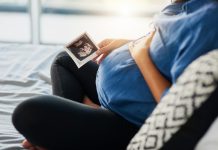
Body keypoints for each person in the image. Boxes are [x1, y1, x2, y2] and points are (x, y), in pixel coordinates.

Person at [12, 0, 218, 149]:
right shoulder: (185, 5)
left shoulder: (208, 20)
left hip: (130, 120)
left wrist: (140, 54)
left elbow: (174, 107)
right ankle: (61, 132)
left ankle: (59, 134)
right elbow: (167, 44)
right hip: (115, 94)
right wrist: (128, 43)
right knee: (65, 60)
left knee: (28, 113)